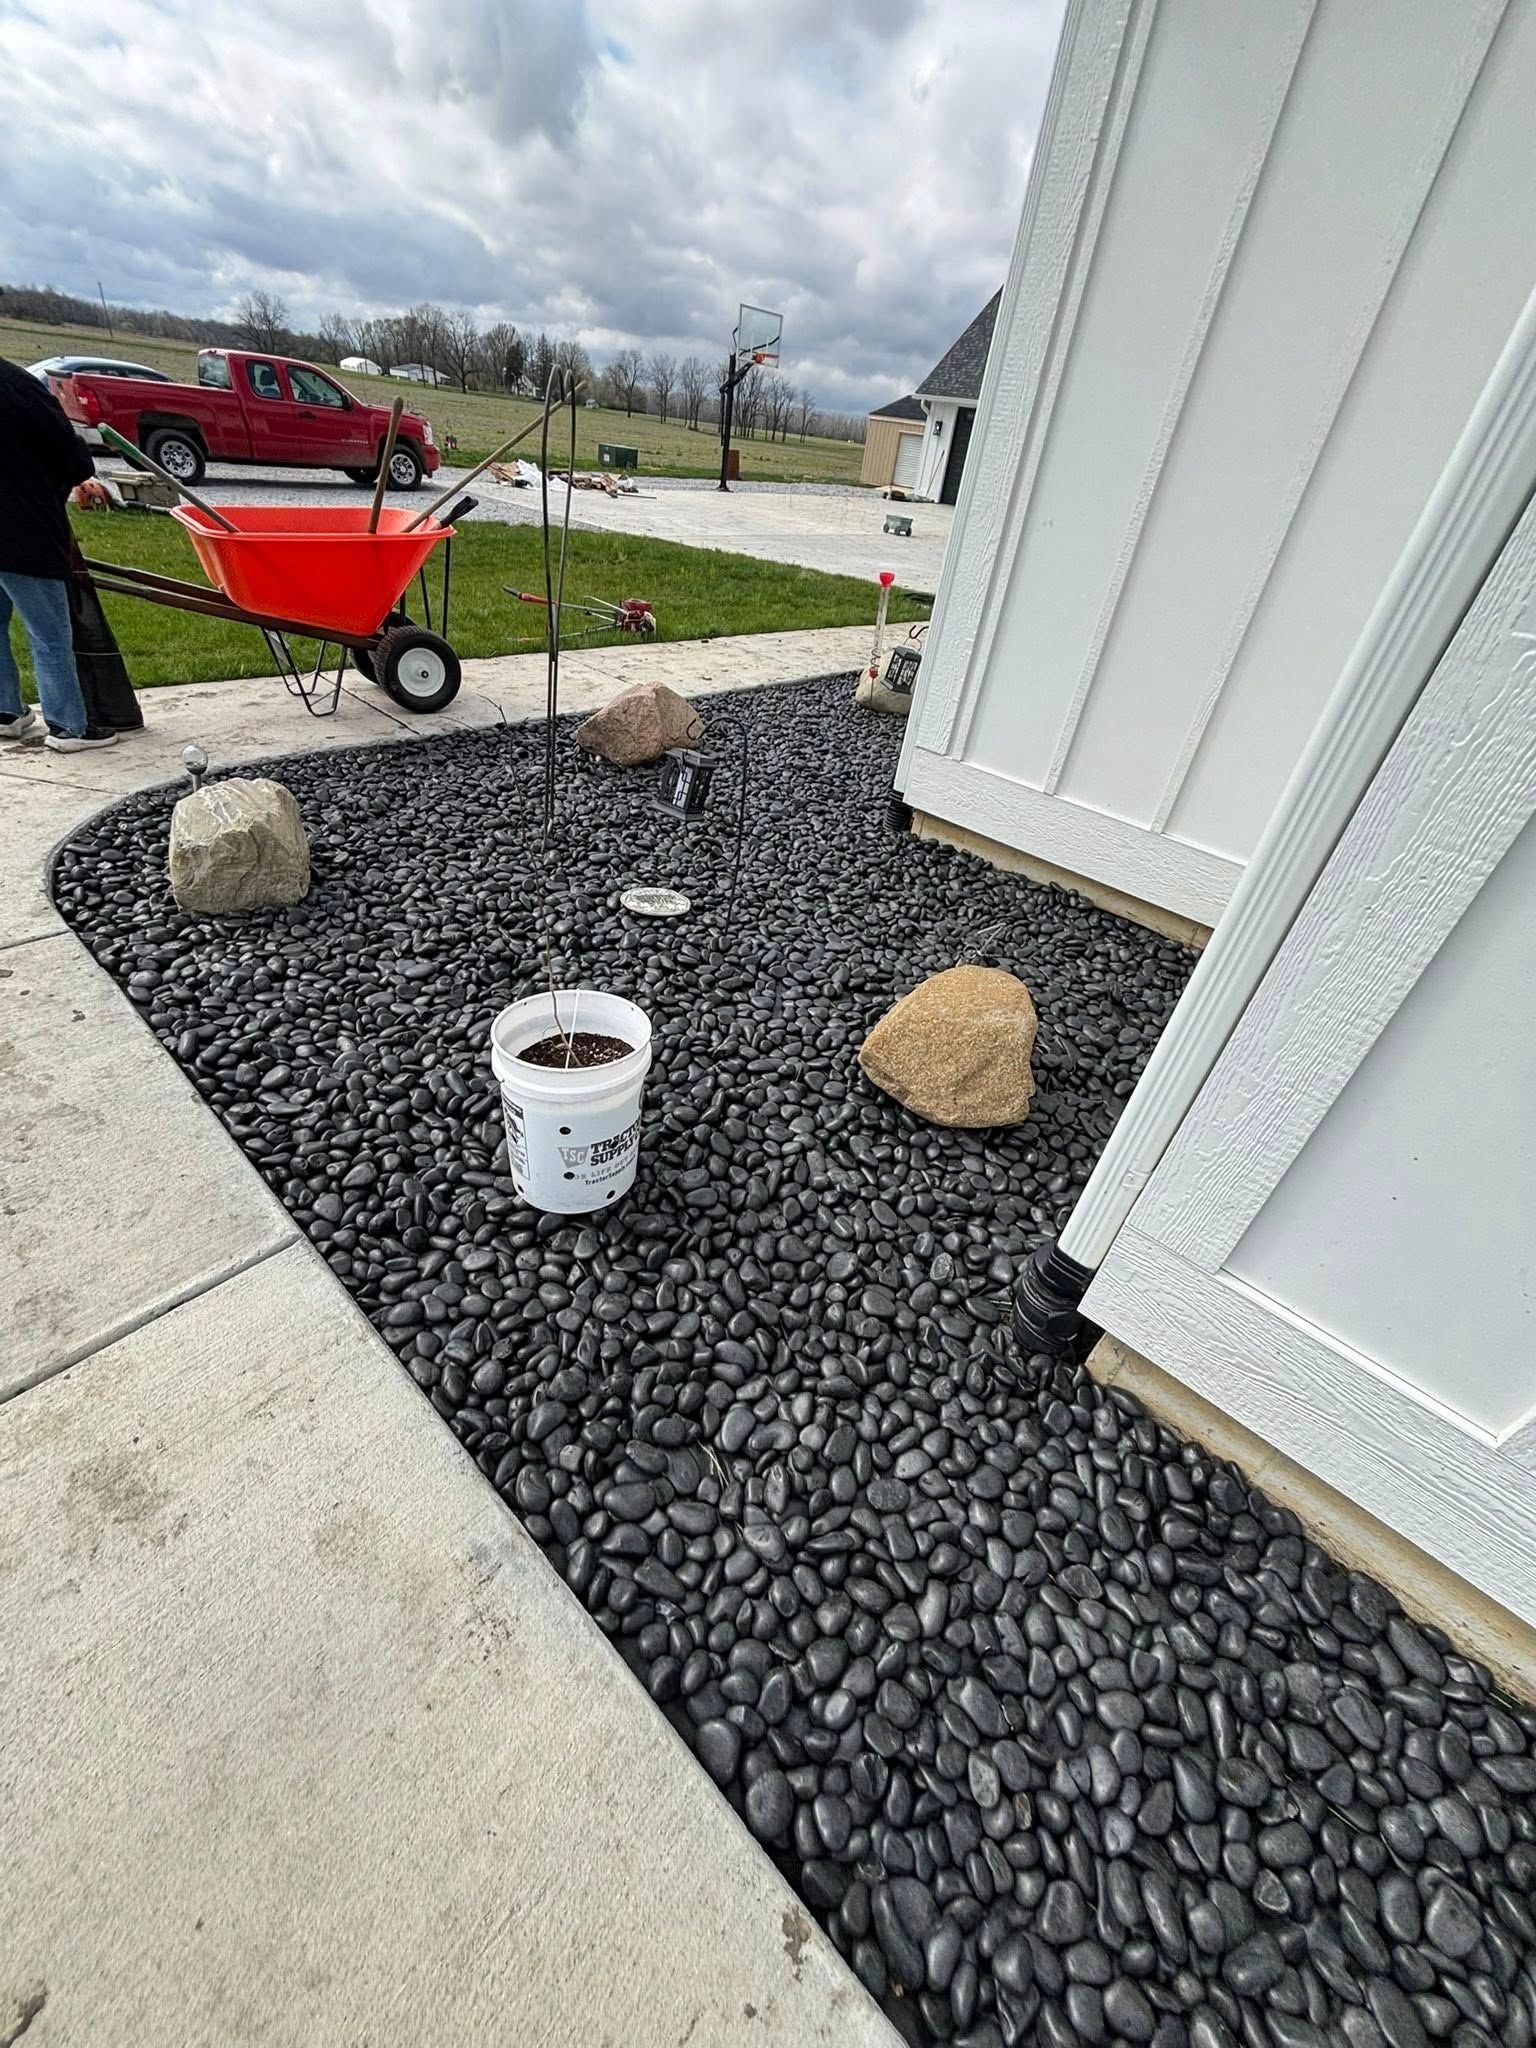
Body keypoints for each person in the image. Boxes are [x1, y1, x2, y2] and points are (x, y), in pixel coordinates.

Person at [0, 355, 118, 751]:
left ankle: (7, 712)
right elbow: (69, 454)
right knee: (49, 633)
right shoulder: (18, 385)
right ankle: (70, 726)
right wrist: (70, 479)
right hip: (21, 527)